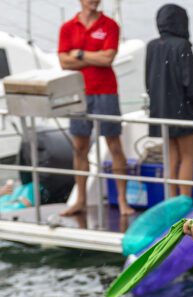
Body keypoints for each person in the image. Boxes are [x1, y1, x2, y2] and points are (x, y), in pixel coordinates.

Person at [58, 0, 134, 230]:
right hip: (79, 93)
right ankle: (80, 199)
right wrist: (93, 56)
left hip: (106, 92)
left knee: (114, 144)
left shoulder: (110, 25)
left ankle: (122, 199)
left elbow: (107, 58)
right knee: (79, 146)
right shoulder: (68, 27)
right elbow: (63, 62)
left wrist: (79, 54)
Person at [145, 4, 193, 199]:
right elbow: (192, 83)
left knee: (171, 157)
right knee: (187, 156)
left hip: (161, 110)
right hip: (183, 110)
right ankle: (185, 201)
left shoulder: (152, 46)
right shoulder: (182, 46)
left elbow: (148, 81)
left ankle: (171, 201)